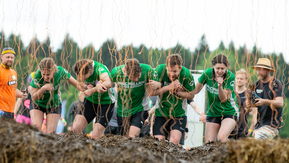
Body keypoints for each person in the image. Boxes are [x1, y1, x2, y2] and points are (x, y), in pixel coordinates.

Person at [28, 58, 82, 133]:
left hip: (54, 104)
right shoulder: (37, 75)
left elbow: (76, 84)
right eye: (43, 74)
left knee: (51, 133)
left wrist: (87, 89)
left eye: (48, 74)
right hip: (38, 103)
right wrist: (43, 88)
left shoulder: (60, 71)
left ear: (53, 71)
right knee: (36, 129)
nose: (45, 77)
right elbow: (34, 97)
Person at [193, 54, 239, 143]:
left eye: (222, 68)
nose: (220, 71)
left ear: (226, 67)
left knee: (221, 138)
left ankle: (235, 150)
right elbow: (195, 91)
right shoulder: (207, 74)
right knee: (209, 144)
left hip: (229, 112)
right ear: (213, 67)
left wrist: (220, 87)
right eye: (217, 68)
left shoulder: (230, 77)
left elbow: (223, 99)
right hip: (213, 112)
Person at [151, 54, 195, 145]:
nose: (172, 74)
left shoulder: (186, 75)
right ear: (166, 67)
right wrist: (169, 87)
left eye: (175, 71)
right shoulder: (159, 70)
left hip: (179, 114)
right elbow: (151, 93)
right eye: (170, 71)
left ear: (180, 68)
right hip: (161, 113)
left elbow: (191, 96)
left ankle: (171, 159)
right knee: (158, 144)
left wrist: (176, 92)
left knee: (174, 141)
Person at [111, 59, 158, 138]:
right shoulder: (116, 72)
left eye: (138, 76)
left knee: (133, 136)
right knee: (124, 139)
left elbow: (160, 79)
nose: (136, 80)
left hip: (140, 108)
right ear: (126, 73)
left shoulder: (147, 70)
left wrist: (157, 84)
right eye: (133, 77)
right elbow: (106, 82)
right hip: (122, 110)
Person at [72, 59, 115, 139]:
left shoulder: (100, 69)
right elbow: (80, 82)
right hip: (90, 101)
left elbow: (108, 82)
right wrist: (86, 86)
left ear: (90, 71)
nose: (81, 78)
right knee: (76, 128)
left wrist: (92, 90)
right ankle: (82, 149)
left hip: (106, 103)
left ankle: (97, 150)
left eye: (84, 77)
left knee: (96, 136)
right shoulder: (81, 68)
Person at [250, 58, 283, 139]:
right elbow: (253, 109)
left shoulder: (276, 83)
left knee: (258, 140)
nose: (258, 72)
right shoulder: (255, 85)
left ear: (268, 71)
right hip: (259, 126)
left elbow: (280, 103)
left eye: (261, 70)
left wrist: (264, 101)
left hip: (272, 125)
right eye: (257, 70)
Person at [229, 69, 257, 139]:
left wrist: (251, 128)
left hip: (242, 130)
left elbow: (255, 113)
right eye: (237, 78)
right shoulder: (230, 92)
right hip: (229, 129)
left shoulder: (250, 94)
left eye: (241, 79)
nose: (239, 80)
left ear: (246, 80)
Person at [0, 47, 27, 119]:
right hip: (1, 110)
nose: (10, 59)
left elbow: (13, 90)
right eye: (7, 57)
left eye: (12, 57)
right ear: (1, 57)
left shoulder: (13, 73)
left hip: (11, 111)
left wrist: (21, 95)